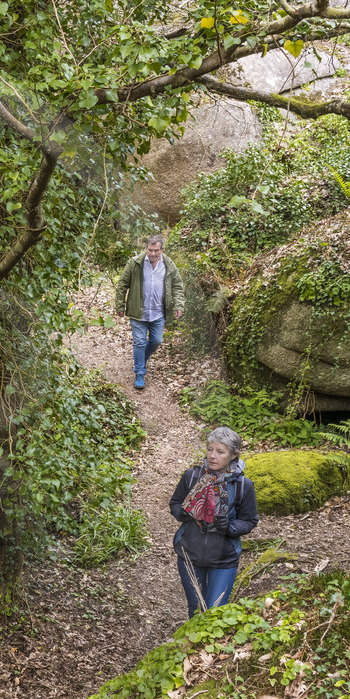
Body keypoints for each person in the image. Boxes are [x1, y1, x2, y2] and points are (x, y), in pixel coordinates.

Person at [169, 426, 258, 618]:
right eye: (210, 449)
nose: (212, 456)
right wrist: (184, 513)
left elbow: (250, 520)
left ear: (234, 455)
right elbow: (175, 503)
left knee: (214, 614)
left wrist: (229, 527)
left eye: (220, 451)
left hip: (224, 559)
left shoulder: (244, 485)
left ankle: (211, 648)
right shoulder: (192, 476)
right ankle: (192, 647)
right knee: (197, 611)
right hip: (190, 555)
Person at [115, 234, 184, 390]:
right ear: (146, 248)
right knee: (139, 342)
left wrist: (179, 305)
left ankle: (142, 359)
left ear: (162, 250)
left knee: (157, 341)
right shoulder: (135, 263)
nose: (153, 254)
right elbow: (122, 285)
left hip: (159, 313)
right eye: (150, 250)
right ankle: (139, 371)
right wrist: (120, 306)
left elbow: (178, 286)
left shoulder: (169, 265)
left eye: (156, 251)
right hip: (138, 312)